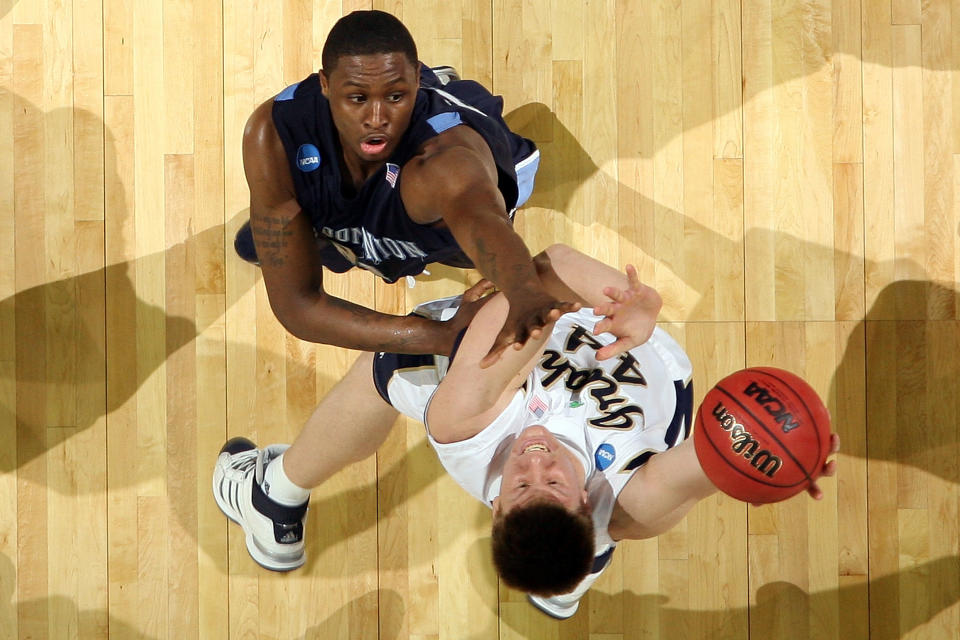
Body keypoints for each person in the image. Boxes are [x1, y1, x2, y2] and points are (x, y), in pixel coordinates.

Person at [213, 244, 839, 617]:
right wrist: (795, 458)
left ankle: (273, 495)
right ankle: (565, 577)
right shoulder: (631, 502)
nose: (536, 460)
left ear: (496, 509)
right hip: (650, 371)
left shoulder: (468, 425)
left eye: (521, 485)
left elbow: (549, 272)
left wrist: (604, 297)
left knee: (398, 360)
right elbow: (726, 452)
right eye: (555, 484)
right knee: (612, 531)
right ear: (583, 503)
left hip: (511, 380)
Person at [237, 9, 576, 363]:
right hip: (360, 213)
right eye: (358, 98)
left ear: (412, 79)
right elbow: (298, 307)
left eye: (395, 96)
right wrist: (438, 336)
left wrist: (524, 293)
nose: (377, 119)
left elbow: (478, 217)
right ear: (324, 84)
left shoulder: (444, 160)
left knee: (467, 247)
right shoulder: (274, 132)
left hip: (465, 179)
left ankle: (445, 94)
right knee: (267, 247)